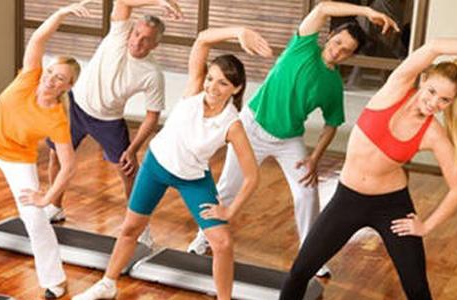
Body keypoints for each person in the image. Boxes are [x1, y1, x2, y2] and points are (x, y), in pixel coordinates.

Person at [279, 38, 457, 299]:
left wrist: (426, 226)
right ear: (423, 80)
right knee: (300, 271)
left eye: (445, 100)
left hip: (391, 208)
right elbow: (434, 46)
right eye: (432, 91)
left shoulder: (434, 134)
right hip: (347, 199)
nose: (435, 102)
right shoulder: (395, 89)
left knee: (417, 289)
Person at [187, 0, 399, 278]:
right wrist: (366, 12)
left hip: (289, 139)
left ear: (351, 55)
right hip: (251, 127)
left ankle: (311, 255)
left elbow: (331, 125)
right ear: (329, 38)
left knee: (307, 194)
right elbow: (322, 8)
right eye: (336, 43)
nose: (337, 52)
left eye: (345, 51)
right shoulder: (303, 46)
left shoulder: (333, 85)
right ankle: (202, 239)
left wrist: (314, 158)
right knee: (228, 187)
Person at [72, 26, 271, 300]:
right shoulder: (193, 90)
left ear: (236, 88)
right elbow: (201, 38)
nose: (212, 87)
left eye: (223, 83)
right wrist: (239, 32)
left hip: (193, 179)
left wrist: (229, 211)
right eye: (211, 78)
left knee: (223, 243)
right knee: (130, 228)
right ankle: (108, 284)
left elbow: (252, 176)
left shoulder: (232, 124)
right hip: (156, 166)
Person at [0, 1, 92, 298]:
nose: (51, 78)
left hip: (17, 158)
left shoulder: (57, 119)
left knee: (34, 217)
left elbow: (69, 166)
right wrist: (59, 14)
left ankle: (55, 281)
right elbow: (37, 40)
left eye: (60, 78)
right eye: (51, 71)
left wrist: (47, 197)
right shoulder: (30, 75)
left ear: (66, 87)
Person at [44, 0, 182, 245]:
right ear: (131, 30)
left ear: (155, 45)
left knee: (129, 171)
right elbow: (122, 2)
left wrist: (133, 148)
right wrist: (160, 1)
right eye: (137, 33)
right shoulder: (118, 34)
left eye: (146, 39)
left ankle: (139, 227)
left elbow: (152, 115)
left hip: (108, 121)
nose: (137, 41)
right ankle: (55, 206)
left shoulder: (152, 74)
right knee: (56, 154)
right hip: (75, 106)